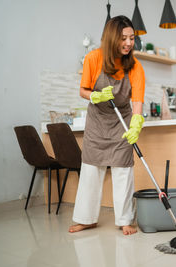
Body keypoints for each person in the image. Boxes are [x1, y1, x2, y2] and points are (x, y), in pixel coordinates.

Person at [68, 15, 145, 235]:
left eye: (132, 38)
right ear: (113, 38)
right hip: (98, 122)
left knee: (123, 171)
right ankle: (86, 219)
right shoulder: (93, 58)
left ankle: (124, 220)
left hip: (122, 121)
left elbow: (137, 101)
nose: (129, 43)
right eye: (124, 38)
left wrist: (136, 124)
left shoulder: (136, 66)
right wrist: (97, 96)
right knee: (91, 170)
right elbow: (83, 90)